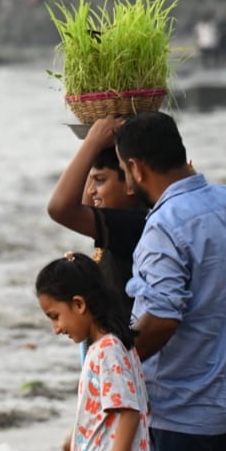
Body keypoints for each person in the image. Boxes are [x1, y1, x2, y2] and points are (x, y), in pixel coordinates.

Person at [114, 112, 226, 451]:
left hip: (178, 411)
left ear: (137, 169)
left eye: (123, 170)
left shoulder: (164, 226)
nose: (125, 181)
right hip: (223, 405)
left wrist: (112, 365)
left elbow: (161, 320)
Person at [37, 253, 152, 451]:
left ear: (79, 305)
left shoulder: (108, 350)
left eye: (55, 316)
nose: (56, 329)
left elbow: (129, 412)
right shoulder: (113, 346)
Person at [48, 117, 149, 318]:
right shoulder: (124, 223)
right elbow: (85, 206)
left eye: (100, 181)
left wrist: (92, 142)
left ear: (130, 181)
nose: (91, 190)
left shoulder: (135, 224)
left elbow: (60, 208)